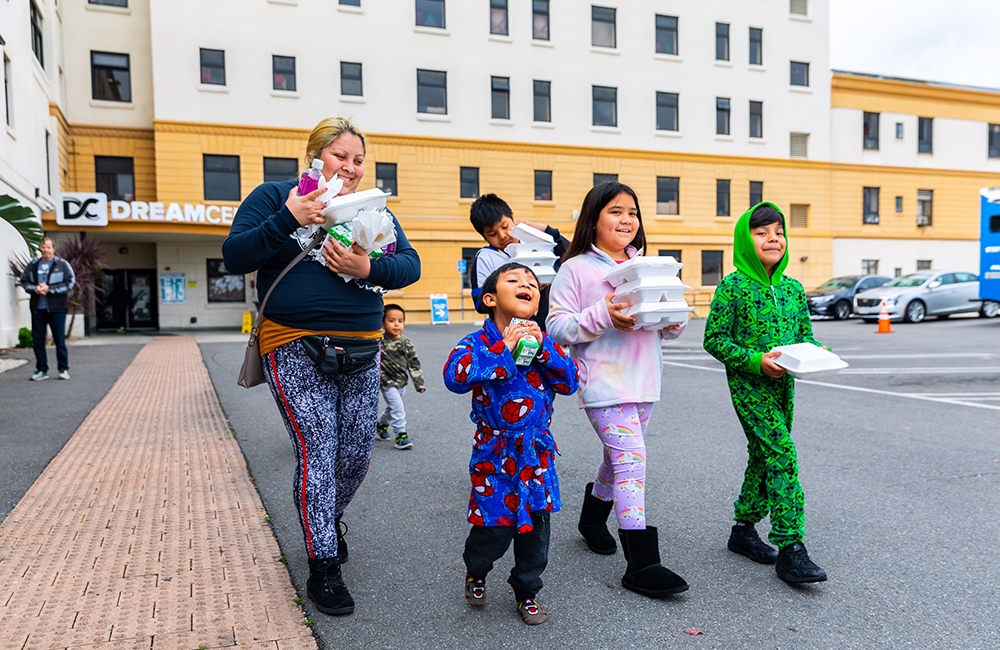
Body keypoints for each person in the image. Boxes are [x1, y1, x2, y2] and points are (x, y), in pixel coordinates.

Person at [222, 117, 421, 616]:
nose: (351, 168)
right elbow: (234, 255)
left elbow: (411, 265)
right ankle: (323, 564)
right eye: (341, 157)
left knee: (355, 454)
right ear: (315, 157)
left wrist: (367, 267)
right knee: (318, 448)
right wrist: (290, 216)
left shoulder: (373, 208)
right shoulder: (275, 197)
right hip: (293, 342)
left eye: (358, 159)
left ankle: (324, 522)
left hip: (362, 347)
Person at [546, 181, 689, 598]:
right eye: (615, 211)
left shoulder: (647, 266)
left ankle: (592, 521)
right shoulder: (575, 269)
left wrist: (671, 318)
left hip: (645, 384)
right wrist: (603, 314)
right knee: (632, 463)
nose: (627, 220)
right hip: (604, 385)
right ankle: (642, 564)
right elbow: (558, 327)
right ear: (593, 219)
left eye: (632, 212)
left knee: (617, 459)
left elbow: (666, 327)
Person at [443, 262, 578, 625]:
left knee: (537, 528)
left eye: (533, 284)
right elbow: (455, 376)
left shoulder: (545, 341)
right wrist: (506, 347)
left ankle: (527, 590)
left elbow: (570, 381)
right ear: (490, 298)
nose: (526, 285)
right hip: (495, 454)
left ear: (537, 302)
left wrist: (545, 348)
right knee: (493, 527)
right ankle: (477, 569)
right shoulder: (477, 342)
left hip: (536, 454)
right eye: (514, 280)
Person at [702, 202, 828, 584]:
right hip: (749, 386)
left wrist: (816, 351)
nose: (773, 239)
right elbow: (714, 339)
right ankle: (791, 547)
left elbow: (803, 334)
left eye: (778, 232)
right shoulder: (733, 286)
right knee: (782, 453)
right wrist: (756, 361)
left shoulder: (792, 288)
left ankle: (742, 529)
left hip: (784, 386)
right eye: (762, 233)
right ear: (746, 240)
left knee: (763, 456)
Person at [468, 193, 569, 329]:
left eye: (505, 226)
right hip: (507, 333)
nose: (502, 236)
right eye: (492, 234)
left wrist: (548, 231)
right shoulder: (485, 258)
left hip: (547, 327)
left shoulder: (536, 242)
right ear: (483, 236)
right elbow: (480, 303)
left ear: (513, 217)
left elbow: (573, 258)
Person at [19, 237, 76, 381]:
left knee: (59, 340)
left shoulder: (62, 264)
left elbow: (70, 283)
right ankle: (41, 370)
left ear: (54, 249)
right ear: (40, 249)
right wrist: (35, 288)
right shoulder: (32, 265)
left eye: (48, 247)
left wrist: (50, 289)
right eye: (43, 247)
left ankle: (63, 369)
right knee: (38, 341)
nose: (45, 250)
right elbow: (24, 282)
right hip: (38, 309)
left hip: (57, 309)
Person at [376, 303, 425, 450]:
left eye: (400, 321)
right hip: (386, 382)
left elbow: (414, 364)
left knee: (392, 409)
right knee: (398, 408)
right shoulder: (379, 341)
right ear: (383, 323)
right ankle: (401, 435)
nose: (396, 324)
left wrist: (419, 383)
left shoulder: (406, 343)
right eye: (391, 321)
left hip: (402, 382)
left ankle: (381, 424)